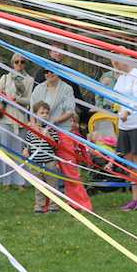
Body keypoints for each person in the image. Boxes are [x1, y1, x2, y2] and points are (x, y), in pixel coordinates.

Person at [31, 68, 92, 211]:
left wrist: (52, 121)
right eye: (46, 72)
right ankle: (45, 204)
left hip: (62, 132)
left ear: (57, 72)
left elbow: (70, 111)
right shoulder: (38, 89)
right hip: (42, 134)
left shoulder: (66, 89)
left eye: (52, 71)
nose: (49, 74)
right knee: (44, 169)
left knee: (70, 169)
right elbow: (32, 111)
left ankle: (79, 203)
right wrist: (36, 128)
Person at [110, 58, 137, 212]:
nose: (114, 64)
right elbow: (115, 97)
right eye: (112, 62)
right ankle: (134, 198)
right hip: (124, 125)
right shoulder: (121, 77)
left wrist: (128, 111)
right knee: (129, 164)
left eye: (116, 61)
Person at [0, 53, 33, 188]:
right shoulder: (5, 78)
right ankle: (6, 181)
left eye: (22, 62)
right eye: (17, 62)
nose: (19, 64)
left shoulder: (29, 80)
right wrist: (5, 97)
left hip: (21, 119)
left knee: (20, 151)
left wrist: (17, 100)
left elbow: (30, 100)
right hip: (6, 118)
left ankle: (21, 181)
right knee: (6, 151)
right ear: (12, 63)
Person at [23, 101, 60, 213]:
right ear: (35, 115)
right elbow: (27, 145)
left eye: (47, 113)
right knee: (39, 187)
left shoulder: (51, 130)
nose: (44, 115)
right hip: (36, 164)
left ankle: (54, 207)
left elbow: (56, 146)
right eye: (42, 112)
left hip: (49, 163)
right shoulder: (31, 131)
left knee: (52, 186)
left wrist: (48, 136)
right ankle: (40, 206)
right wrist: (25, 150)